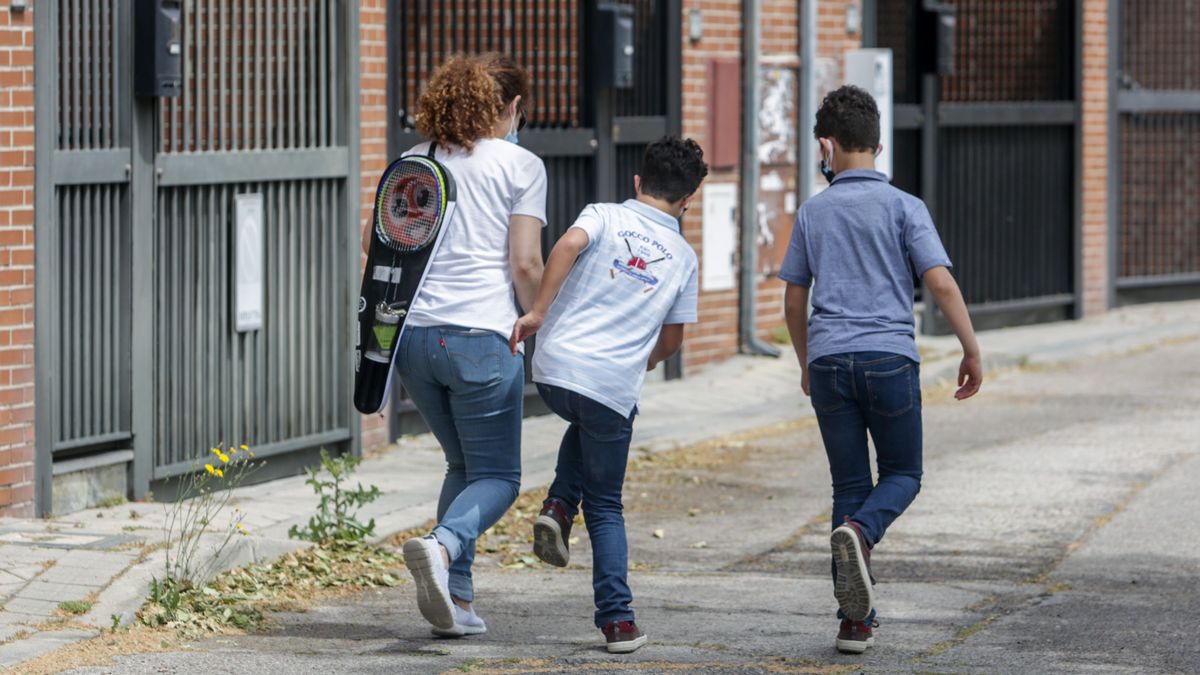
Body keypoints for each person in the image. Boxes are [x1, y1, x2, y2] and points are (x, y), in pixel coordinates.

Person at [779, 85, 982, 655]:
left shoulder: (813, 211)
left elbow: (794, 301)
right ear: (879, 145)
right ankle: (863, 533)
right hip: (890, 358)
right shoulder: (904, 207)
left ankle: (853, 623)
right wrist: (971, 348)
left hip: (829, 361)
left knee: (849, 484)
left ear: (827, 145)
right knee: (904, 474)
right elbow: (939, 280)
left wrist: (805, 361)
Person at [509, 136, 707, 654]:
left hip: (553, 372)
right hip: (609, 387)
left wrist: (537, 313)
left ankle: (556, 503)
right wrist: (638, 361)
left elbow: (568, 244)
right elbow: (674, 339)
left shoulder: (603, 214)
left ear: (637, 182)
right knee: (607, 506)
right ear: (688, 200)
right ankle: (617, 621)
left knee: (588, 417)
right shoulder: (684, 258)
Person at [394, 53, 546, 639]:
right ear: (506, 107)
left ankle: (455, 601)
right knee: (502, 476)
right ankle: (443, 545)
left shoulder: (415, 159)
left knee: (464, 465)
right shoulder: (520, 164)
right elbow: (527, 260)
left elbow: (372, 238)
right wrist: (539, 317)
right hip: (482, 337)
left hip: (415, 341)